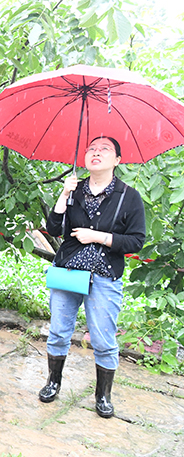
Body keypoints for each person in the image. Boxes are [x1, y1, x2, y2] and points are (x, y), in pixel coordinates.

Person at [40, 136, 145, 418]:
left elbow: (136, 241)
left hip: (104, 275)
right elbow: (53, 228)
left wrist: (97, 237)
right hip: (69, 272)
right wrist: (63, 195)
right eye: (91, 149)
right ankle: (53, 381)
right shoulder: (74, 190)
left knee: (103, 339)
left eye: (104, 149)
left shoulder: (128, 196)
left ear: (117, 160)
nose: (96, 153)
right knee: (59, 331)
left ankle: (103, 396)